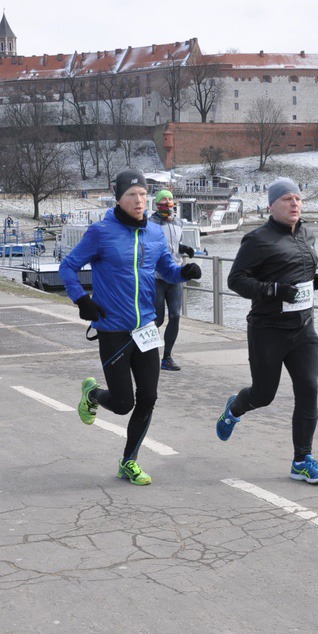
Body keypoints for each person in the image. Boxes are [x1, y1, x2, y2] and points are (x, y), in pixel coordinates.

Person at [59, 169, 202, 486]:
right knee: (124, 404)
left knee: (148, 397)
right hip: (113, 330)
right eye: (131, 195)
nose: (139, 200)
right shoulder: (101, 233)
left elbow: (166, 270)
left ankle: (129, 462)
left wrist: (184, 272)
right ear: (118, 198)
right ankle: (93, 394)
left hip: (146, 329)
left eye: (142, 195)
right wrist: (81, 299)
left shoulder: (154, 233)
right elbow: (68, 266)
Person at [216, 178, 318, 485]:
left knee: (308, 389)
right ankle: (235, 408)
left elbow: (297, 276)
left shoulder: (306, 234)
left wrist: (317, 282)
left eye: (298, 198)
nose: (294, 203)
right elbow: (236, 280)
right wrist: (273, 290)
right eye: (287, 199)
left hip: (303, 330)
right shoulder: (257, 239)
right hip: (267, 330)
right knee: (263, 395)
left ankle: (302, 460)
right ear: (271, 206)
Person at [149, 190, 195, 371]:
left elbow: (173, 244)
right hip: (157, 277)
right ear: (157, 203)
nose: (167, 202)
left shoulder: (178, 222)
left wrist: (184, 248)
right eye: (163, 199)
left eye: (170, 199)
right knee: (157, 319)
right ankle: (148, 355)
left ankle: (167, 357)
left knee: (175, 316)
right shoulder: (151, 224)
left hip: (175, 275)